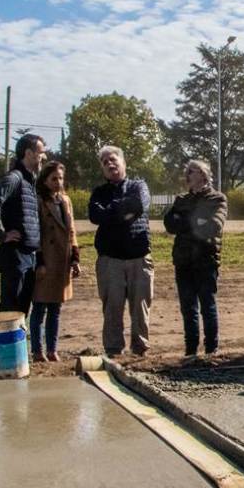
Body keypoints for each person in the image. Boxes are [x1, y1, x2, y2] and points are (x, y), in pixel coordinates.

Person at [88, 145, 153, 357]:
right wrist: (122, 212)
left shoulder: (139, 185)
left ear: (123, 162)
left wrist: (112, 212)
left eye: (113, 159)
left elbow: (139, 204)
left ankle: (139, 349)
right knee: (112, 308)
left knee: (140, 308)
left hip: (139, 258)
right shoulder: (99, 192)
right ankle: (114, 350)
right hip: (110, 261)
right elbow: (95, 215)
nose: (109, 164)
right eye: (105, 162)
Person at [163, 159, 228, 356]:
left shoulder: (217, 199)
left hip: (206, 260)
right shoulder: (181, 199)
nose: (188, 175)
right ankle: (190, 351)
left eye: (192, 171)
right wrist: (195, 221)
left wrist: (185, 222)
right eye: (187, 172)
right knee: (188, 307)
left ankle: (211, 350)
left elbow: (213, 226)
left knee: (207, 305)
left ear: (203, 174)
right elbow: (169, 224)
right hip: (183, 260)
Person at [0, 133, 47, 315]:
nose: (43, 157)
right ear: (28, 153)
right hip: (15, 256)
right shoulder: (15, 178)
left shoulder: (30, 181)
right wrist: (1, 234)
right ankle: (4, 344)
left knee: (21, 311)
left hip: (29, 255)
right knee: (10, 310)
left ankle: (16, 344)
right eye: (41, 152)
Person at [28, 161, 80, 362]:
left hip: (62, 260)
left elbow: (72, 230)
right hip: (46, 261)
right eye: (53, 179)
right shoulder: (38, 201)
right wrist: (39, 262)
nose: (58, 182)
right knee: (39, 308)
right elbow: (36, 233)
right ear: (45, 180)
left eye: (60, 178)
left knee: (56, 309)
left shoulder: (65, 201)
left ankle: (52, 349)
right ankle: (37, 351)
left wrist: (75, 258)